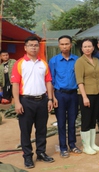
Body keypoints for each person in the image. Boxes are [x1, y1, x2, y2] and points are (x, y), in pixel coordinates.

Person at [11, 36, 55, 169]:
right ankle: (28, 156)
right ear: (25, 47)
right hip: (26, 101)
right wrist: (17, 103)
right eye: (31, 45)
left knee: (41, 129)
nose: (34, 47)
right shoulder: (19, 63)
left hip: (42, 100)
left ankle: (41, 152)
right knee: (26, 130)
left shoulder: (43, 63)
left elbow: (48, 82)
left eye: (36, 45)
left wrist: (50, 99)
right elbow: (15, 84)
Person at [49, 35, 82, 158]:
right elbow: (51, 81)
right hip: (60, 95)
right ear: (59, 45)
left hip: (73, 95)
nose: (64, 46)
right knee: (61, 122)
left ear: (71, 45)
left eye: (66, 44)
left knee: (72, 121)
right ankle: (63, 147)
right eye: (62, 44)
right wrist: (52, 98)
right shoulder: (54, 61)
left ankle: (72, 144)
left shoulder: (77, 60)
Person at [74, 39, 99, 155]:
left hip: (97, 93)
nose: (87, 48)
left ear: (93, 48)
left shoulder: (96, 60)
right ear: (81, 49)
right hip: (86, 94)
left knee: (93, 119)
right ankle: (86, 146)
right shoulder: (80, 62)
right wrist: (84, 97)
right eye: (85, 46)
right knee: (86, 120)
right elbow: (79, 81)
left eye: (89, 46)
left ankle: (92, 144)